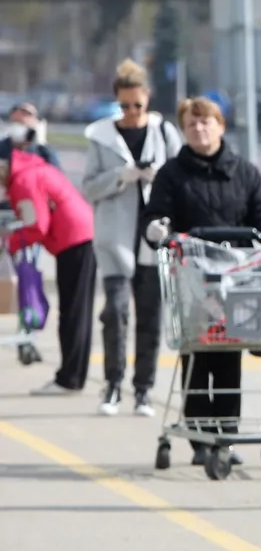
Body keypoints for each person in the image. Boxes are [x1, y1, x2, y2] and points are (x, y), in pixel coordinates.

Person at [142, 96, 261, 469]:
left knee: (231, 354)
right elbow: (156, 216)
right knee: (197, 354)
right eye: (191, 124)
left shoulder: (244, 173)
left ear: (220, 126)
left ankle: (226, 432)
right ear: (184, 131)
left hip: (235, 279)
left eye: (206, 122)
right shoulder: (173, 173)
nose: (199, 129)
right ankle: (201, 433)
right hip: (192, 279)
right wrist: (156, 229)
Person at [82, 59, 183, 417]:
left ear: (147, 99)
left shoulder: (164, 132)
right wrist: (121, 176)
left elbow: (180, 179)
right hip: (114, 238)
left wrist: (157, 178)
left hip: (153, 237)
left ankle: (143, 389)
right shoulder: (101, 136)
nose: (131, 112)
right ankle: (112, 385)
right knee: (115, 312)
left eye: (137, 105)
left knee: (150, 315)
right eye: (123, 106)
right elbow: (88, 187)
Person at [0, 149, 96, 396]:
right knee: (78, 311)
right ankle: (73, 375)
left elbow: (37, 226)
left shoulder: (23, 180)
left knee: (72, 312)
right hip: (81, 236)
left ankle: (69, 378)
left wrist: (10, 243)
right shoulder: (33, 170)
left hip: (73, 241)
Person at [0, 102, 61, 170]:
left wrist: (41, 141)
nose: (21, 116)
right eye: (16, 122)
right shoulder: (2, 147)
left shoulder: (42, 151)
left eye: (27, 115)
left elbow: (56, 176)